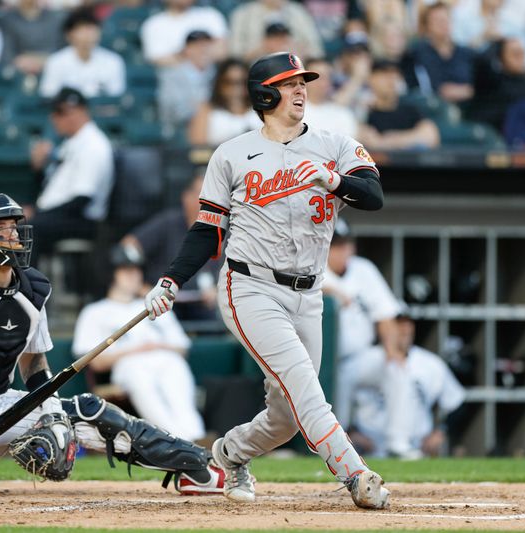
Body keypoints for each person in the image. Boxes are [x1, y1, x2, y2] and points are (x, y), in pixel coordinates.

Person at [143, 51, 390, 509]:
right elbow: (208, 228)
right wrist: (171, 280)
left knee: (288, 416)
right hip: (250, 286)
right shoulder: (232, 153)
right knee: (306, 388)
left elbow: (374, 195)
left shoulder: (335, 143)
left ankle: (228, 454)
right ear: (264, 94)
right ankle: (355, 474)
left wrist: (333, 180)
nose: (301, 90)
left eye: (303, 82)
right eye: (290, 83)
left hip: (309, 292)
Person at [0, 192, 224, 498]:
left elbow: (34, 363)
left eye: (13, 226)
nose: (13, 234)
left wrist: (53, 411)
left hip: (4, 403)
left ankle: (195, 466)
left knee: (88, 412)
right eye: (0, 228)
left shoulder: (33, 290)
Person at [74, 247, 206, 442]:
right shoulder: (95, 312)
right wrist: (136, 350)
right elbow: (94, 362)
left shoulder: (155, 304)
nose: (133, 276)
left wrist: (156, 347)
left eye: (136, 270)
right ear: (112, 274)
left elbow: (182, 347)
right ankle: (176, 439)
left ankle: (196, 436)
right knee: (139, 374)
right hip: (127, 364)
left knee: (176, 369)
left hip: (165, 359)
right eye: (126, 271)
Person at [321, 220, 408, 456]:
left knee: (395, 368)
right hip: (325, 364)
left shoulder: (363, 269)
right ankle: (334, 452)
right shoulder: (313, 267)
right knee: (334, 424)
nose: (342, 251)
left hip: (358, 358)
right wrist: (334, 292)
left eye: (345, 245)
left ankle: (397, 443)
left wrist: (392, 350)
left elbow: (386, 314)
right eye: (335, 245)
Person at [346, 308, 466, 459]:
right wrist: (349, 432)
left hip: (414, 450)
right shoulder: (364, 360)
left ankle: (399, 444)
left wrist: (440, 431)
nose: (404, 329)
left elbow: (457, 403)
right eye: (398, 323)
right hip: (368, 449)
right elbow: (337, 397)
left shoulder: (430, 363)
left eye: (408, 323)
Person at [27, 87, 114, 266]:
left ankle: (27, 292)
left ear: (78, 112)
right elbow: (52, 190)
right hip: (62, 215)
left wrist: (39, 215)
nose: (53, 118)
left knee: (26, 230)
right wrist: (38, 168)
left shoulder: (94, 145)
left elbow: (81, 201)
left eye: (59, 112)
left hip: (84, 221)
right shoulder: (72, 142)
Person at [121, 172, 220, 322]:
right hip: (162, 301)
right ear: (186, 196)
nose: (209, 202)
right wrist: (140, 285)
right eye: (203, 195)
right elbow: (127, 246)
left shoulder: (223, 227)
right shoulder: (168, 223)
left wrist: (220, 290)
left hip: (204, 305)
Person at [38, 6, 125, 99]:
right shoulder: (56, 62)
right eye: (83, 29)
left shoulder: (113, 61)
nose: (88, 34)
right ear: (69, 34)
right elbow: (48, 96)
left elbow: (117, 98)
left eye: (92, 28)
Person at [358, 59, 440, 151]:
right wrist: (411, 138)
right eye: (385, 75)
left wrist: (389, 140)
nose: (391, 80)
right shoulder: (366, 112)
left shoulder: (410, 110)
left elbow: (431, 135)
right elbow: (370, 141)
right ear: (371, 78)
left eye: (395, 75)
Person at [410, 2, 476, 103]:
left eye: (446, 19)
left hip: (469, 107)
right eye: (437, 20)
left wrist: (469, 91)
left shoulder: (466, 53)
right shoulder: (418, 52)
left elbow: (478, 85)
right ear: (427, 26)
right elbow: (436, 89)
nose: (443, 23)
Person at [188, 59, 261, 147]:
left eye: (242, 82)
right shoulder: (207, 110)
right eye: (229, 82)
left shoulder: (262, 108)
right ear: (219, 84)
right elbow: (197, 148)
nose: (236, 88)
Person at [157, 30, 217, 137]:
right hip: (180, 132)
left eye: (206, 45)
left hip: (215, 128)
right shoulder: (171, 76)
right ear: (187, 50)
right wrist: (201, 108)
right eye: (197, 46)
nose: (203, 50)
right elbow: (172, 112)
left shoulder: (217, 73)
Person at [467, 36, 525, 131]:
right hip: (489, 131)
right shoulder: (491, 79)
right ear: (502, 57)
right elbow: (481, 62)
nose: (520, 58)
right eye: (515, 54)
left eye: (522, 54)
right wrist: (496, 44)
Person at [140, 0, 228, 68]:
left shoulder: (211, 15)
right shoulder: (154, 24)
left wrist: (191, 56)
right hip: (174, 81)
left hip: (212, 76)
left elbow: (222, 52)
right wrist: (190, 55)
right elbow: (157, 60)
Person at [228, 1, 324, 62]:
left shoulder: (299, 13)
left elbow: (317, 52)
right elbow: (234, 56)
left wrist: (297, 50)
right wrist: (263, 48)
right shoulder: (243, 14)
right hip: (255, 72)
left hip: (294, 70)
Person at [0, 0, 65, 76]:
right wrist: (20, 61)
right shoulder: (7, 20)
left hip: (51, 71)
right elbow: (6, 55)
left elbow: (63, 53)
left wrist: (43, 61)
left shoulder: (55, 19)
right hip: (19, 73)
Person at [301, 57, 358, 139]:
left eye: (327, 77)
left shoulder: (343, 114)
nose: (323, 82)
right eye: (317, 77)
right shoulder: (290, 113)